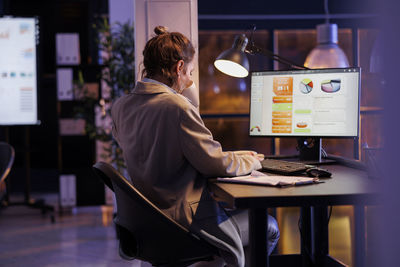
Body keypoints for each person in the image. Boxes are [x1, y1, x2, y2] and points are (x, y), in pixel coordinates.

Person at [111, 26, 279, 267]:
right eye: (189, 72)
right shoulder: (177, 107)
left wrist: (234, 155)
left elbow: (161, 150)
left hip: (150, 223)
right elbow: (214, 164)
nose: (190, 80)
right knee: (268, 227)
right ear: (179, 68)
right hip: (182, 222)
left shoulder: (121, 107)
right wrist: (252, 161)